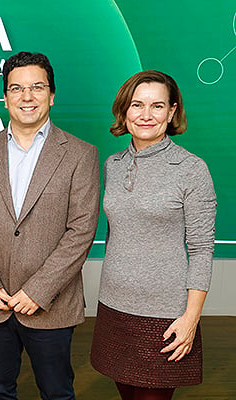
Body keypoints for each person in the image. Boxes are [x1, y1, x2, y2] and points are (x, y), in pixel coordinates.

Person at [0, 51, 100, 400]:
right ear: (5, 97)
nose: (27, 96)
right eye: (17, 88)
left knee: (57, 392)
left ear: (51, 95)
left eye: (37, 87)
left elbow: (81, 230)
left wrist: (37, 291)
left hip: (51, 304)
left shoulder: (81, 154)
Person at [90, 70, 216, 400]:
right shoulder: (112, 165)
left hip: (165, 316)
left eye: (157, 106)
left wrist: (190, 318)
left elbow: (202, 249)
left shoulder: (191, 169)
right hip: (114, 308)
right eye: (137, 105)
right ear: (124, 111)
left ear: (172, 111)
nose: (146, 115)